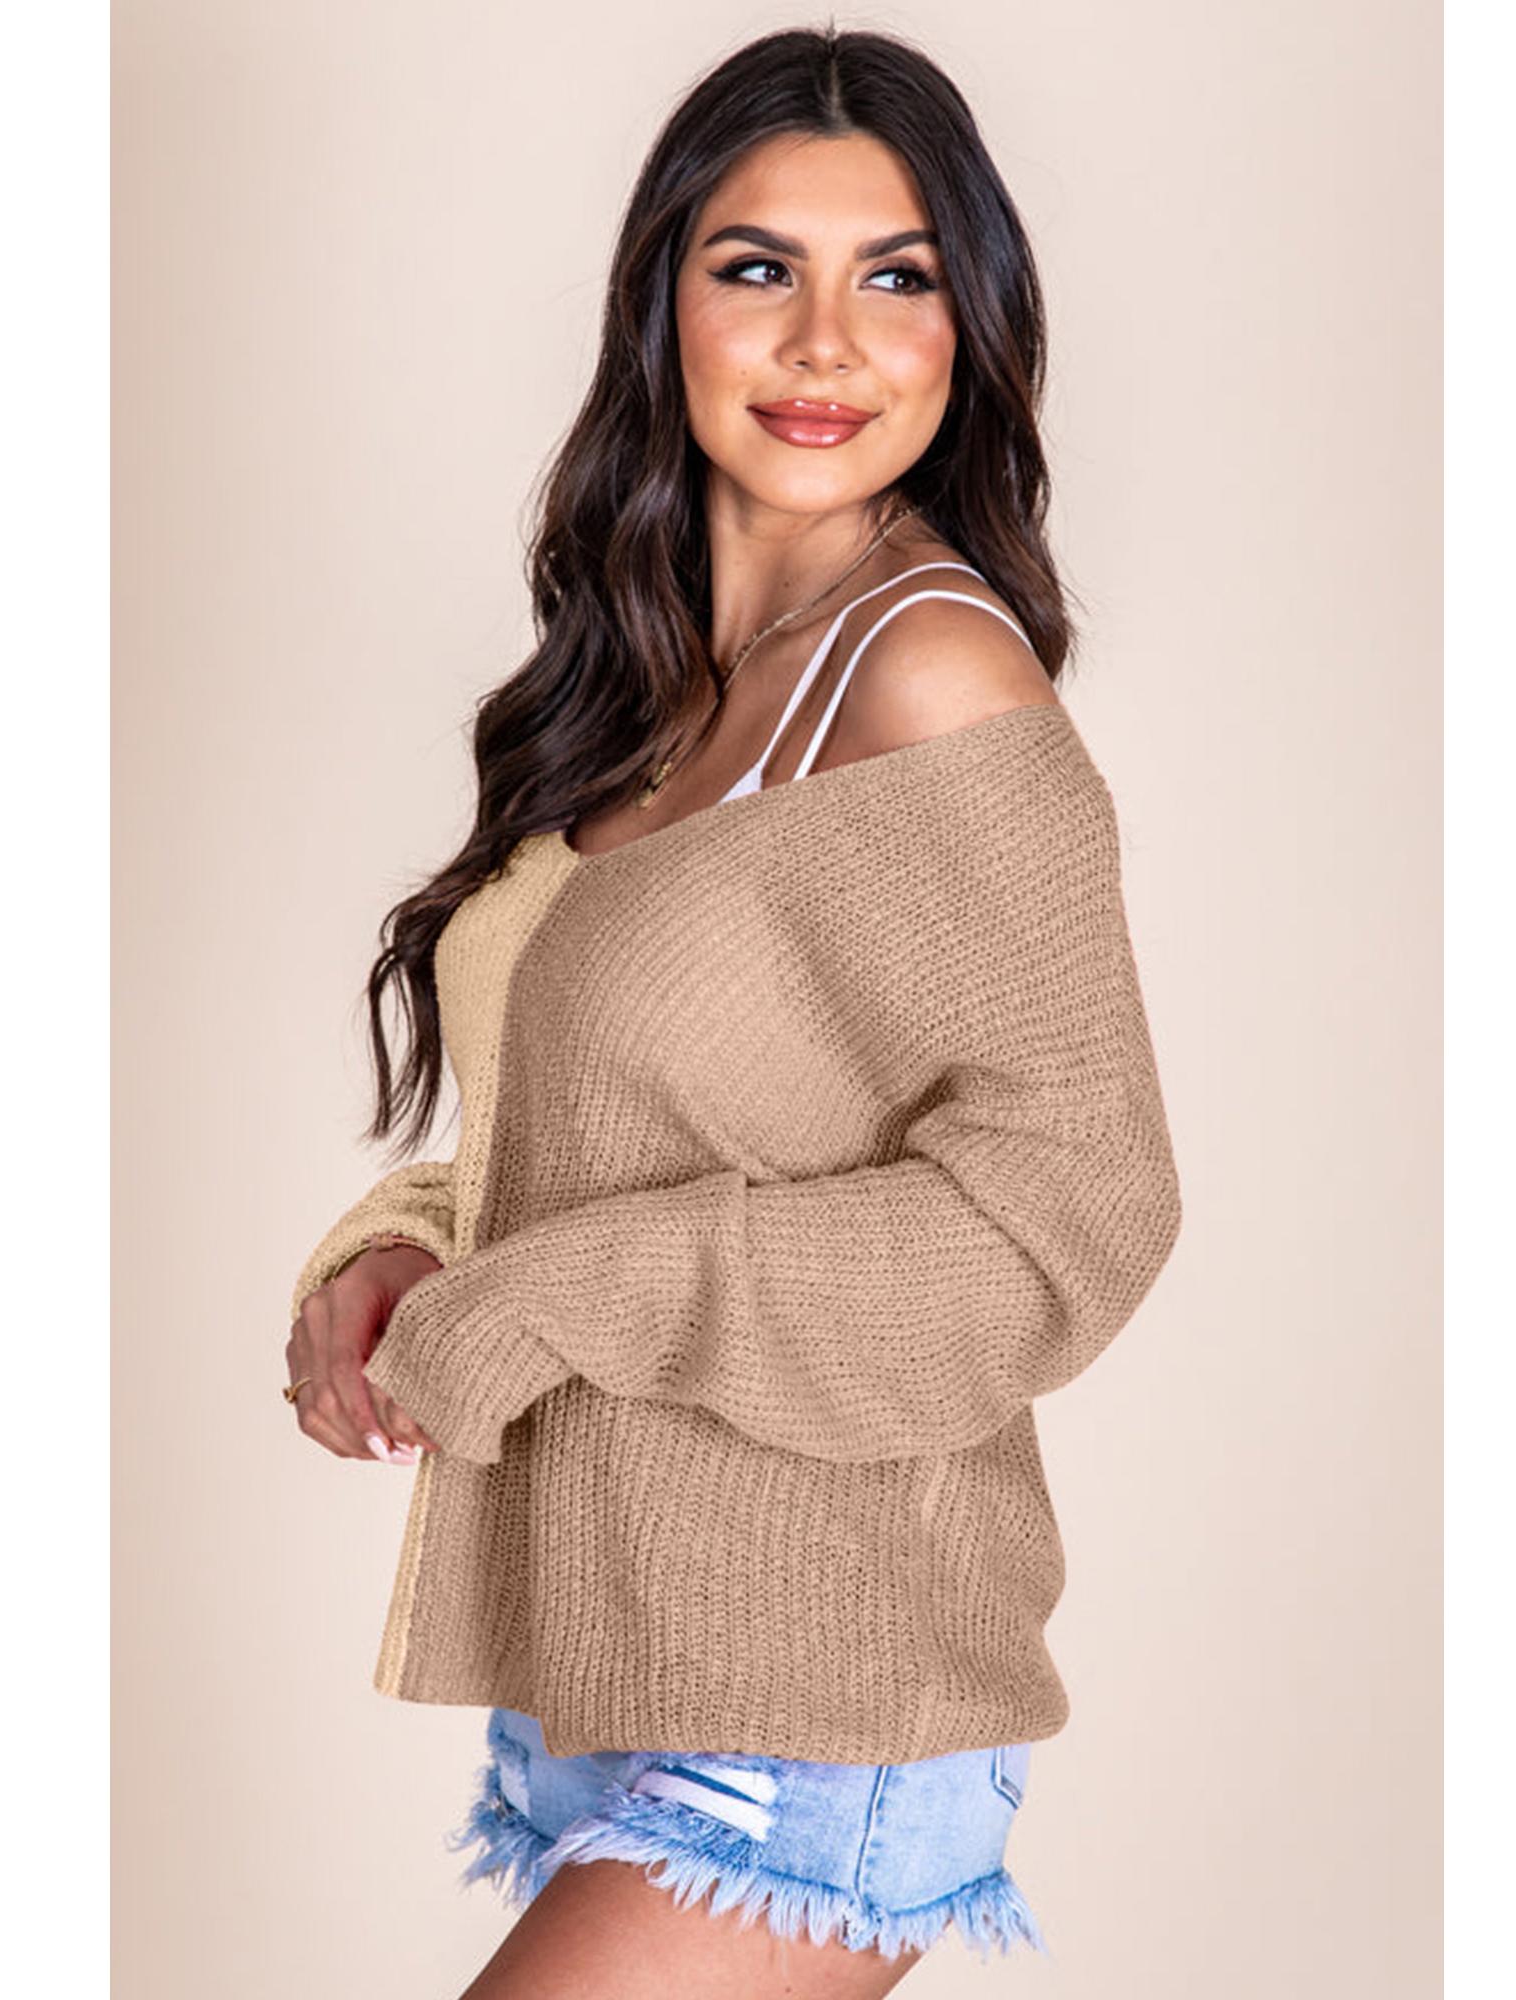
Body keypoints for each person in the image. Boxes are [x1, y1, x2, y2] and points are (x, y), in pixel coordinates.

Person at [284, 25, 1182, 1999]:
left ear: (968, 328)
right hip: (633, 1652)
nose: (823, 345)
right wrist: (403, 1252)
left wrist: (560, 1300)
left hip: (820, 1700)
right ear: (662, 305)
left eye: (897, 277)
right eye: (757, 267)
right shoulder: (657, 678)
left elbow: (1071, 1205)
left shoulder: (932, 679)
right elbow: (615, 1109)